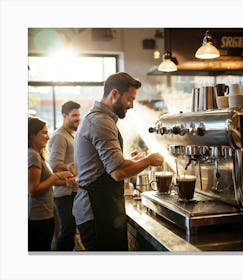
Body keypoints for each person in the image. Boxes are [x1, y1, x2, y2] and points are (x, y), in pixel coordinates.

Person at [72, 72, 164, 251]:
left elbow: (106, 166)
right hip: (96, 212)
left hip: (101, 208)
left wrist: (131, 160)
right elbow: (118, 172)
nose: (131, 105)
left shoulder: (100, 118)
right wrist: (149, 160)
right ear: (114, 94)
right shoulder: (101, 121)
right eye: (129, 99)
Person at [28, 117, 73, 251]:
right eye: (44, 132)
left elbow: (45, 182)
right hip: (37, 217)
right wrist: (57, 175)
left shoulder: (37, 154)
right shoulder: (32, 155)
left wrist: (67, 182)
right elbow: (33, 189)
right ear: (32, 135)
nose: (48, 137)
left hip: (44, 214)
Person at [48, 101, 81, 251]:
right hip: (63, 194)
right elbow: (55, 165)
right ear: (64, 116)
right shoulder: (59, 136)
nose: (77, 118)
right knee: (67, 232)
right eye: (74, 115)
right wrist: (69, 166)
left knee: (70, 232)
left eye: (79, 115)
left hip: (72, 192)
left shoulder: (70, 134)